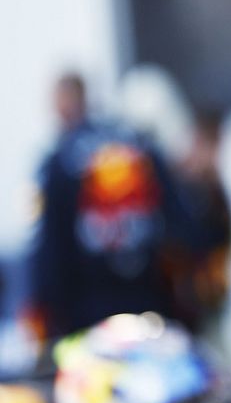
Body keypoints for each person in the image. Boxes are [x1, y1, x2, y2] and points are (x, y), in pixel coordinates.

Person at [25, 72, 198, 339]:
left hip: (86, 310)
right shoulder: (139, 146)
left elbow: (50, 247)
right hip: (149, 301)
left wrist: (46, 309)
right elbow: (181, 224)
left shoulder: (60, 161)